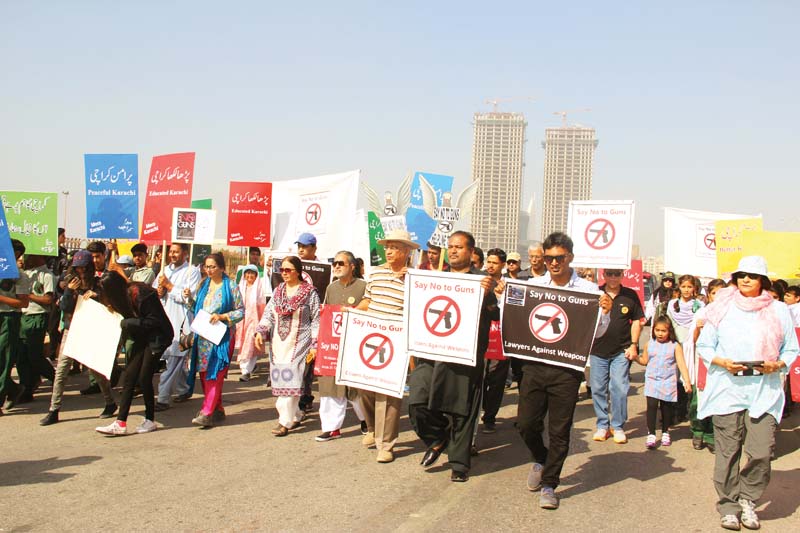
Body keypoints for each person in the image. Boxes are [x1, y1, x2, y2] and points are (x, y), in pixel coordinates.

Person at [494, 232, 611, 510]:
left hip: (567, 371)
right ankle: (541, 457)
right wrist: (502, 297)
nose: (554, 263)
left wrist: (605, 313)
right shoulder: (532, 285)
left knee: (560, 430)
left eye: (559, 258)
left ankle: (550, 484)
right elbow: (512, 317)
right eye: (548, 258)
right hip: (534, 366)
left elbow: (597, 333)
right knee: (525, 424)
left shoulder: (589, 290)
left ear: (569, 257)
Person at [696, 256, 798, 531]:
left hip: (764, 391)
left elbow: (791, 349)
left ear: (763, 280)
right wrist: (723, 362)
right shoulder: (721, 307)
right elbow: (704, 346)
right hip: (727, 390)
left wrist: (778, 364)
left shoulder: (779, 310)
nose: (746, 279)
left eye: (752, 275)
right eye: (741, 274)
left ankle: (748, 499)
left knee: (762, 452)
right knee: (728, 453)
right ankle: (728, 505)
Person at [408, 231, 498, 482]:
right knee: (417, 400)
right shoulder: (436, 278)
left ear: (471, 252)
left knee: (462, 409)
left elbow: (495, 315)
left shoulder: (483, 280)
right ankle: (437, 439)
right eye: (450, 247)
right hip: (431, 352)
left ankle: (459, 462)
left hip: (465, 355)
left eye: (459, 247)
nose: (454, 251)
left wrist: (489, 295)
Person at [354, 228, 419, 463]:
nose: (389, 251)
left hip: (396, 340)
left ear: (406, 251)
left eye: (394, 247)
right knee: (364, 388)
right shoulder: (375, 274)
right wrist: (350, 313)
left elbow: (419, 308)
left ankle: (387, 443)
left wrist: (410, 281)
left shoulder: (415, 277)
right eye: (387, 247)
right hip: (371, 336)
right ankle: (372, 428)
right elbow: (368, 300)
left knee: (389, 393)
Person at [40, 250, 117, 425]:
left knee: (96, 371)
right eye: (78, 268)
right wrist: (69, 291)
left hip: (89, 331)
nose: (81, 271)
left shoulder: (98, 284)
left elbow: (109, 306)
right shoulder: (68, 283)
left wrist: (96, 297)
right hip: (71, 329)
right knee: (61, 371)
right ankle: (54, 410)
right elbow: (65, 307)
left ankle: (110, 402)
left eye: (84, 268)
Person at [95, 272, 173, 435]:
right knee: (130, 377)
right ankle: (120, 422)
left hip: (157, 337)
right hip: (140, 336)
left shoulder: (141, 293)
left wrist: (129, 323)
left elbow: (155, 321)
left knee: (144, 377)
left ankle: (150, 420)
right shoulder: (120, 300)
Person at [255, 256, 320, 436]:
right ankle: (296, 414)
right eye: (282, 270)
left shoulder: (309, 292)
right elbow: (268, 314)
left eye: (288, 270)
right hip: (279, 344)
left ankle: (284, 421)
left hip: (300, 343)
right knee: (284, 381)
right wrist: (261, 331)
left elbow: (316, 320)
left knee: (292, 380)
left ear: (298, 271)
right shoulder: (278, 291)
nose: (284, 273)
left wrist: (315, 345)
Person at [182, 253, 244, 428]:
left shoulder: (231, 286)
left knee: (215, 373)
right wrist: (189, 299)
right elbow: (198, 310)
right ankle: (217, 408)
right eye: (206, 267)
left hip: (221, 337)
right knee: (203, 372)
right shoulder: (204, 285)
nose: (208, 270)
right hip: (203, 337)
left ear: (222, 268)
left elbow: (240, 311)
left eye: (212, 267)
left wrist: (223, 316)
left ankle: (206, 411)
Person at [316, 251, 367, 441]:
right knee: (330, 385)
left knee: (357, 387)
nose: (336, 266)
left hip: (356, 346)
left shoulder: (364, 287)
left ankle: (366, 420)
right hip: (332, 347)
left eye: (340, 263)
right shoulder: (331, 288)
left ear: (352, 266)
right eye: (334, 263)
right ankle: (331, 427)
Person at [590, 268, 644, 444]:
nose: (613, 277)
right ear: (603, 275)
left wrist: (634, 345)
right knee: (598, 389)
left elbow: (636, 321)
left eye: (617, 274)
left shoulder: (630, 295)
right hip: (598, 351)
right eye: (610, 274)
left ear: (622, 275)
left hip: (621, 350)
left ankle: (618, 426)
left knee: (619, 388)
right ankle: (602, 425)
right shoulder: (595, 293)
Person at [154, 243, 201, 411]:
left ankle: (163, 398)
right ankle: (184, 389)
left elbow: (189, 298)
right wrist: (159, 291)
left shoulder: (192, 272)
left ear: (185, 254)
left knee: (174, 360)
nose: (172, 254)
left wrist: (169, 287)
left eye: (176, 251)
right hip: (165, 323)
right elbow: (156, 293)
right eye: (171, 251)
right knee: (174, 360)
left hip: (184, 324)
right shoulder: (164, 271)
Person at [634, 316, 691, 449]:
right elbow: (644, 361)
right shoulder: (649, 344)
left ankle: (665, 431)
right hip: (652, 381)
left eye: (663, 331)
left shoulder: (675, 346)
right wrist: (635, 357)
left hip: (668, 382)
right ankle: (651, 434)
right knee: (652, 407)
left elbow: (681, 364)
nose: (660, 333)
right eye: (657, 330)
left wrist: (686, 381)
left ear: (669, 331)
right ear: (653, 330)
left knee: (666, 409)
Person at [688, 278, 727, 453]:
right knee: (699, 400)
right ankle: (697, 431)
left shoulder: (730, 313)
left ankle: (711, 435)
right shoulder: (701, 313)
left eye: (721, 293)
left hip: (722, 364)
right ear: (708, 295)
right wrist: (698, 328)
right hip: (702, 363)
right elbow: (693, 341)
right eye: (713, 293)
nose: (717, 297)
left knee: (716, 400)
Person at [18, 254, 56, 403]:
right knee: (22, 355)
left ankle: (54, 377)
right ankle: (26, 387)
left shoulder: (47, 275)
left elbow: (48, 299)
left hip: (37, 316)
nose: (25, 258)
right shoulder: (25, 274)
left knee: (34, 355)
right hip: (23, 315)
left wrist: (28, 296)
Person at [667, 274, 704, 423]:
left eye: (689, 287)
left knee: (690, 378)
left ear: (694, 288)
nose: (686, 290)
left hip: (692, 347)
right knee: (675, 378)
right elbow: (669, 324)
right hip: (676, 345)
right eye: (683, 287)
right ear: (679, 287)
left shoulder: (700, 306)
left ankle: (690, 410)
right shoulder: (672, 304)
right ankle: (677, 411)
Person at [0, 239, 31, 414]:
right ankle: (13, 389)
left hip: (9, 318)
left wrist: (2, 299)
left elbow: (23, 303)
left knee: (3, 359)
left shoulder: (20, 275)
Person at [480, 247, 509, 433]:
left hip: (501, 340)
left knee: (497, 380)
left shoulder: (509, 285)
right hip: (482, 338)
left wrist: (501, 296)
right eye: (488, 262)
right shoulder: (480, 281)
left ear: (503, 265)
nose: (490, 266)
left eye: (494, 263)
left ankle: (490, 416)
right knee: (480, 378)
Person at [234, 265, 266, 382]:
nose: (249, 276)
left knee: (250, 344)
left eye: (252, 273)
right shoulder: (240, 288)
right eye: (247, 273)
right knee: (244, 345)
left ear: (256, 275)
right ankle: (249, 367)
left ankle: (245, 371)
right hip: (241, 321)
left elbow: (262, 307)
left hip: (254, 321)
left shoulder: (259, 289)